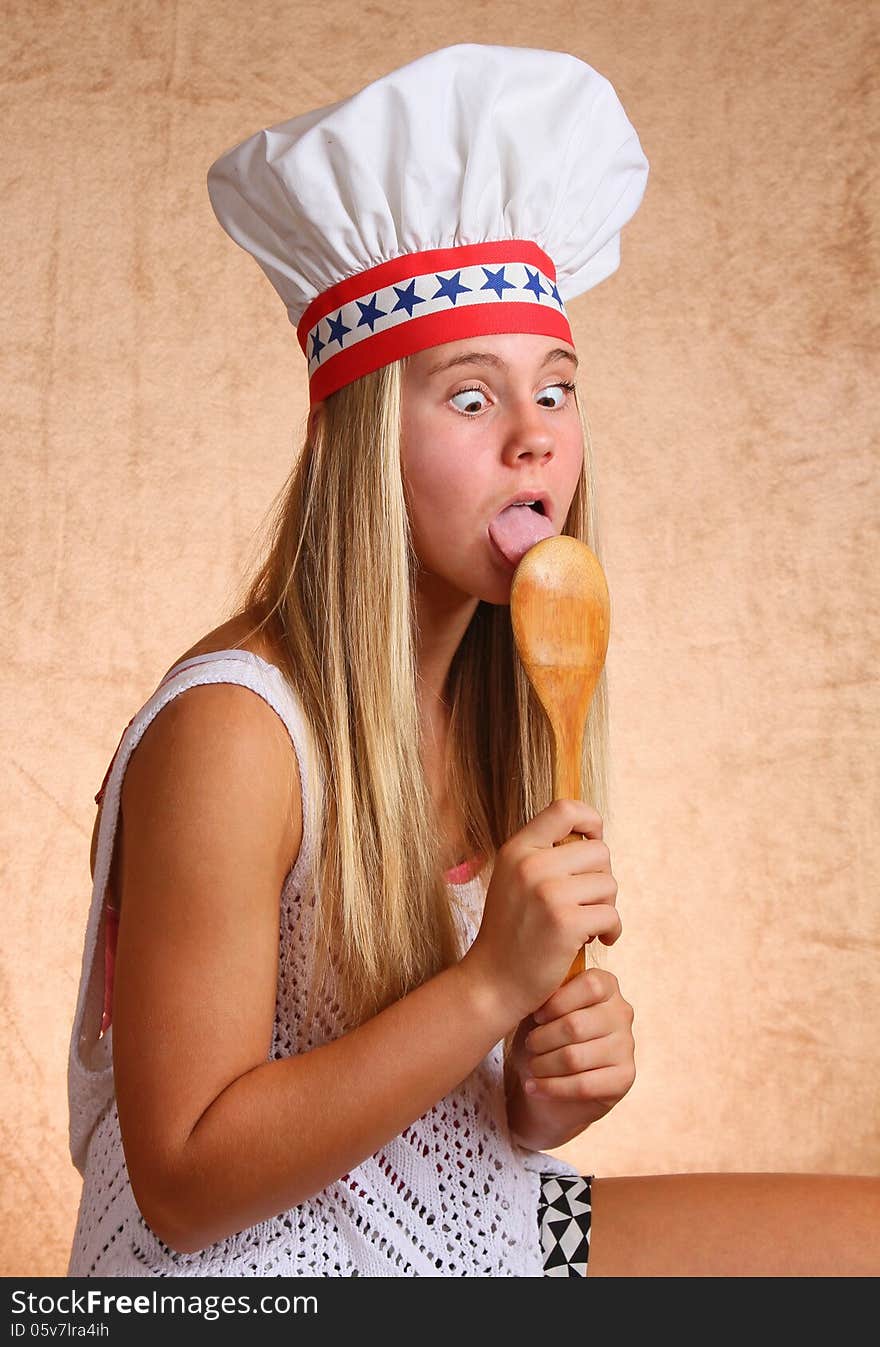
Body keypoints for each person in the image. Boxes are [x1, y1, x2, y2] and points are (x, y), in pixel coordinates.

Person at [65, 45, 879, 1278]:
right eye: (467, 398)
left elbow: (417, 1089)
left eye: (556, 390)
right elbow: (182, 1186)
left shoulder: (492, 699)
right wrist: (489, 989)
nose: (533, 443)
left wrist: (530, 1098)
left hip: (469, 1227)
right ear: (360, 444)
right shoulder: (235, 734)